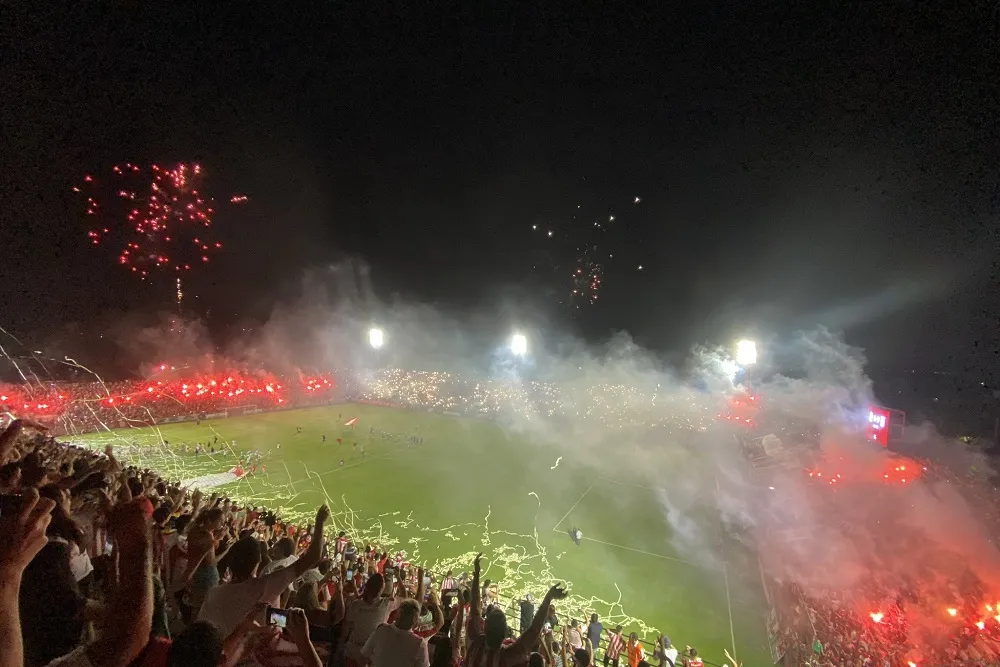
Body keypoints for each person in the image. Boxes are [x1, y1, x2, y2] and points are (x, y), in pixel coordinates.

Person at [197, 504, 329, 637]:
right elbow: (313, 556)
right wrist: (320, 521)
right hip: (256, 650)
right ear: (258, 561)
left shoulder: (213, 594)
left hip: (227, 651)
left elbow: (262, 616)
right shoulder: (266, 586)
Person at [467, 552, 568, 667]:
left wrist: (476, 576)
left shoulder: (475, 642)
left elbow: (475, 610)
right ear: (505, 633)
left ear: (484, 627)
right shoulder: (507, 656)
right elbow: (534, 630)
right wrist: (549, 597)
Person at [360, 598, 429, 667]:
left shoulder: (381, 630)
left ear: (396, 615)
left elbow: (363, 658)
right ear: (416, 621)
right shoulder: (419, 643)